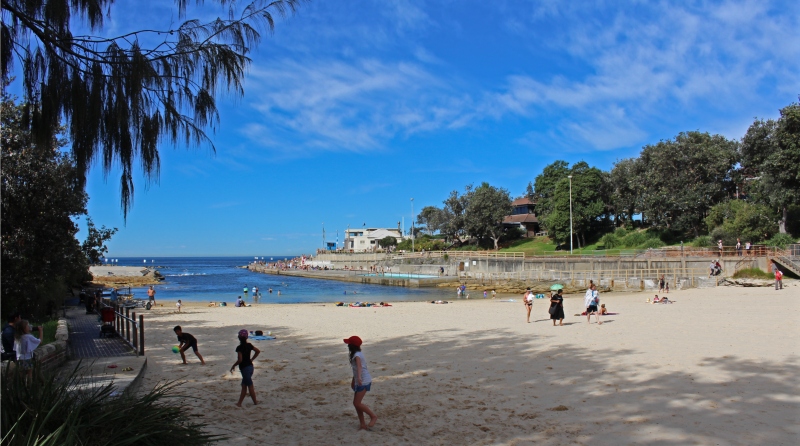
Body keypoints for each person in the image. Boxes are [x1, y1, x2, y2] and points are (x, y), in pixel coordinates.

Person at [344, 336, 377, 430]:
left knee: (357, 403)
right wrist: (353, 380)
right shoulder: (357, 354)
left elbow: (359, 367)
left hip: (363, 381)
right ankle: (362, 425)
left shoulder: (357, 355)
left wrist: (358, 378)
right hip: (360, 381)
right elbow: (355, 369)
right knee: (356, 403)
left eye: (349, 344)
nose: (348, 345)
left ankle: (373, 416)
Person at [230, 329, 260, 407]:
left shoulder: (239, 348)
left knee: (249, 386)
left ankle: (255, 402)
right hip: (250, 367)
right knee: (244, 385)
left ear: (239, 337)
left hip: (244, 368)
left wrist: (234, 365)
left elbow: (240, 359)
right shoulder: (249, 345)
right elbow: (257, 351)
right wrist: (252, 359)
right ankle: (240, 403)